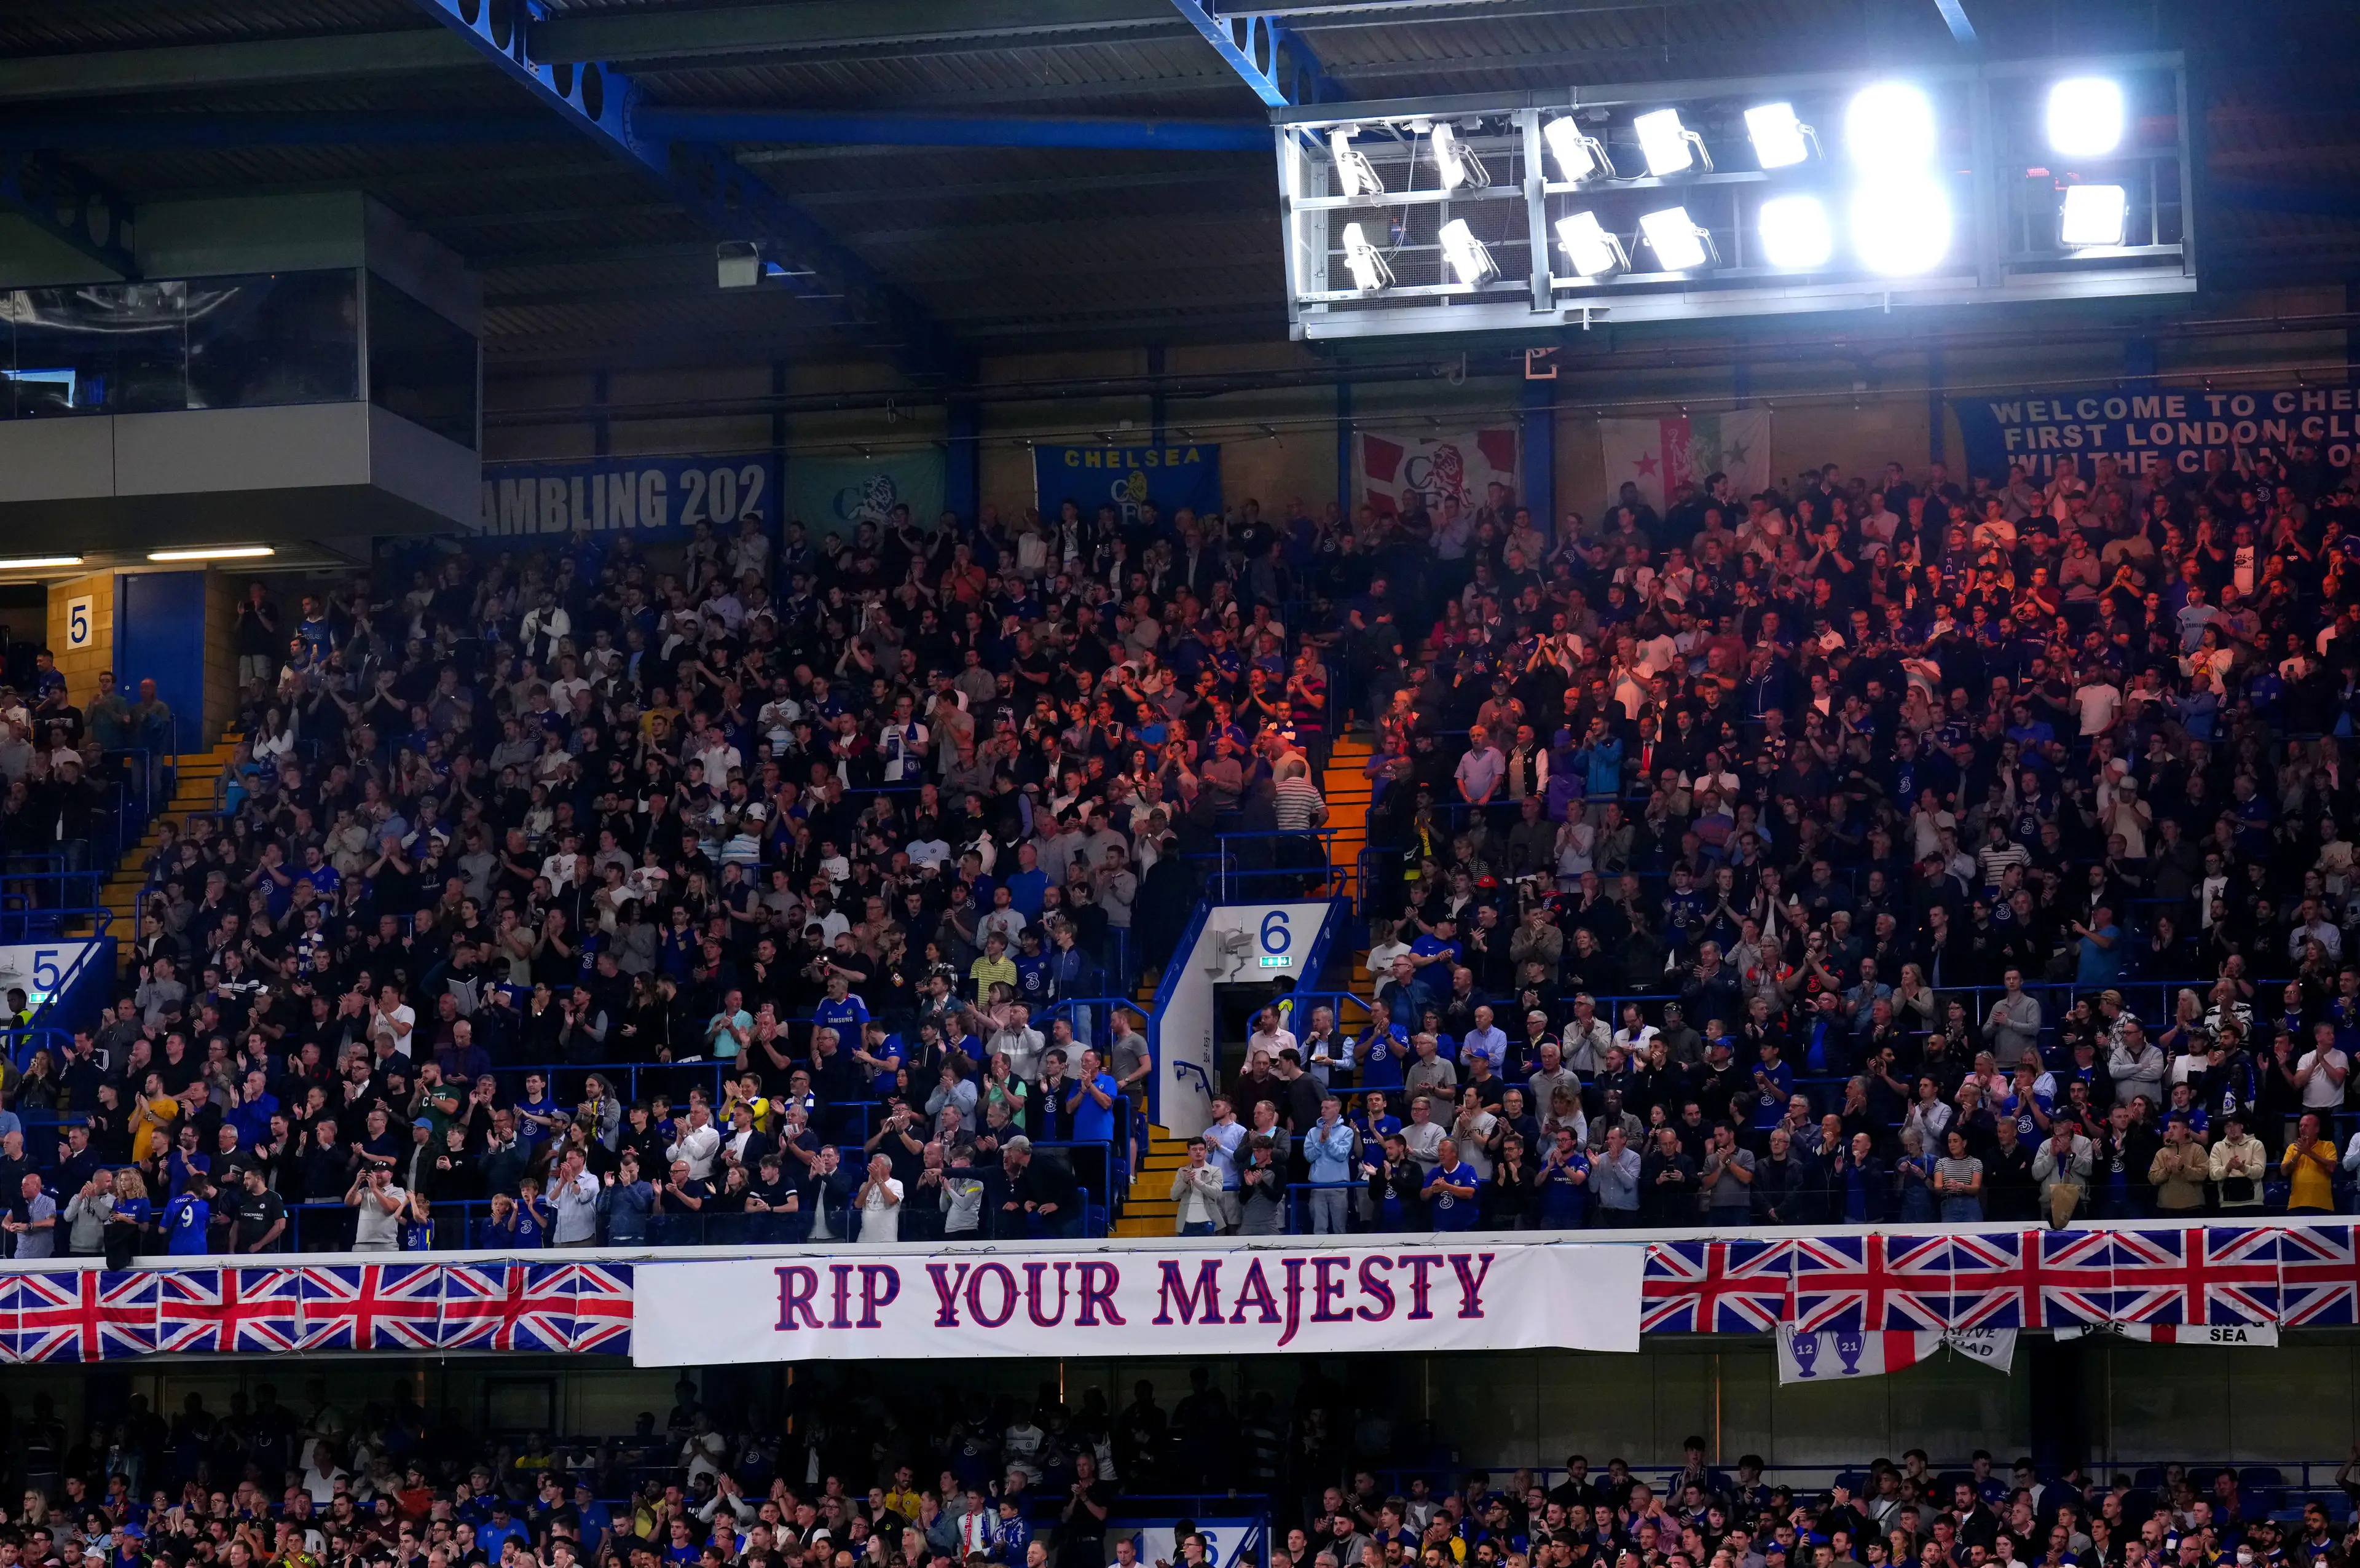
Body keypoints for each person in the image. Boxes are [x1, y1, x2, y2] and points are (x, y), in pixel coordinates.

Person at [855, 1152, 905, 1244]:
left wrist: (879, 1180)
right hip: (864, 1240)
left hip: (886, 1240)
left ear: (888, 1168)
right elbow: (858, 1204)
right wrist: (870, 1184)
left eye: (877, 1166)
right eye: (872, 1166)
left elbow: (891, 1201)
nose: (874, 1169)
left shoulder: (896, 1184)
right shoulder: (865, 1185)